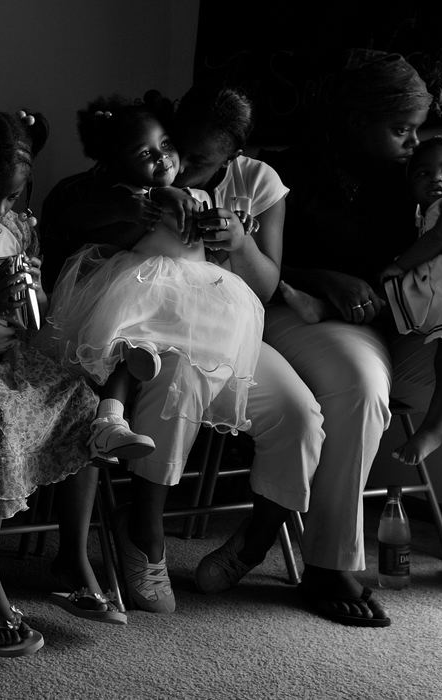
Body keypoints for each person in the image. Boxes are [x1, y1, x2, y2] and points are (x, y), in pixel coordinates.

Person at [265, 48, 442, 619]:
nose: (415, 145)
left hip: (399, 328)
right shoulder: (287, 172)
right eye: (401, 130)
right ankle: (331, 566)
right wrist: (323, 277)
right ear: (356, 122)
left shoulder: (412, 182)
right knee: (361, 384)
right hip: (308, 315)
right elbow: (252, 264)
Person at [0, 102, 130, 658]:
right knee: (1, 413)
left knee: (79, 396)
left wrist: (29, 288)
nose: (2, 206)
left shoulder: (14, 226)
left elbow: (29, 315)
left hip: (9, 347)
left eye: (13, 195)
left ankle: (71, 557)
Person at [44, 93, 267, 614]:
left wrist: (234, 237)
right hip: (137, 300)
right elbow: (98, 235)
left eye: (166, 146)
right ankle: (114, 426)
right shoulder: (116, 198)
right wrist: (159, 203)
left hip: (194, 312)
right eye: (147, 153)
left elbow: (242, 265)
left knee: (167, 361)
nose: (163, 157)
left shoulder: (203, 193)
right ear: (116, 162)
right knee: (134, 347)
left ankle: (120, 445)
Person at [155, 84, 324, 599]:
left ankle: (254, 542)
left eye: (201, 158)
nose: (182, 166)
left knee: (299, 415)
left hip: (230, 332)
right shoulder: (153, 163)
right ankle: (144, 542)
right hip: (153, 327)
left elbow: (268, 286)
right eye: (179, 150)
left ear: (234, 154)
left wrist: (241, 243)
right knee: (168, 395)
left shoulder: (258, 182)